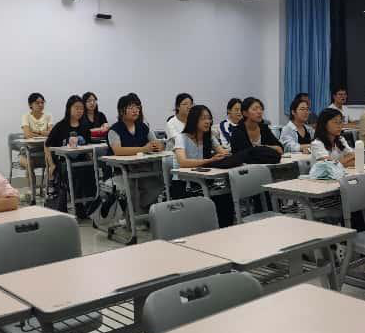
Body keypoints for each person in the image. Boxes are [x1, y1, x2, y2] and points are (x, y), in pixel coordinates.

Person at [95, 93, 165, 231]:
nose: (136, 110)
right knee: (132, 187)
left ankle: (141, 215)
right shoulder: (114, 130)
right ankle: (133, 217)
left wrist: (158, 146)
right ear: (122, 111)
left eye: (137, 107)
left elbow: (156, 142)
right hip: (121, 171)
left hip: (143, 169)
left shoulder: (143, 126)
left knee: (156, 183)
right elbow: (118, 150)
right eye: (131, 107)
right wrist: (144, 149)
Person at [172, 104, 232, 226]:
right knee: (212, 201)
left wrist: (229, 153)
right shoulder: (181, 137)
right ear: (193, 120)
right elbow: (183, 162)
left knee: (226, 196)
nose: (207, 121)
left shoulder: (208, 136)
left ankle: (223, 231)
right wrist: (209, 160)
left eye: (209, 118)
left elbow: (223, 153)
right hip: (183, 184)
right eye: (203, 118)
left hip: (203, 181)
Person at [45, 95, 95, 218]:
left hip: (81, 160)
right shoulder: (60, 126)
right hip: (63, 162)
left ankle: (88, 206)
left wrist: (92, 159)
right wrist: (51, 165)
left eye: (81, 108)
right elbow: (47, 145)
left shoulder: (85, 126)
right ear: (69, 109)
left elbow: (88, 146)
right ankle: (77, 205)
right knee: (71, 172)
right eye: (76, 108)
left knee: (91, 170)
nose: (80, 111)